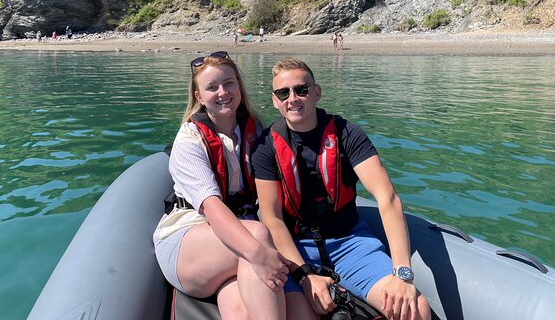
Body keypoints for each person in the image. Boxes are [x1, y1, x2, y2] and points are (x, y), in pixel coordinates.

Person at [252, 58, 431, 320]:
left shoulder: (347, 134)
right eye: (283, 93)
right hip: (295, 248)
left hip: (349, 242)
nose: (293, 98)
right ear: (275, 100)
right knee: (300, 315)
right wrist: (304, 276)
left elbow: (387, 198)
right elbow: (272, 218)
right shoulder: (266, 147)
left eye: (301, 89)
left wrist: (402, 272)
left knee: (414, 309)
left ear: (316, 92)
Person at [154, 51, 289, 320]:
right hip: (187, 239)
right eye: (212, 87)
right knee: (258, 237)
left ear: (239, 86)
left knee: (241, 306)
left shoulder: (256, 130)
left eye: (229, 83)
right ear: (199, 97)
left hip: (230, 249)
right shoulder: (189, 141)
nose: (222, 92)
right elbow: (211, 208)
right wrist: (258, 253)